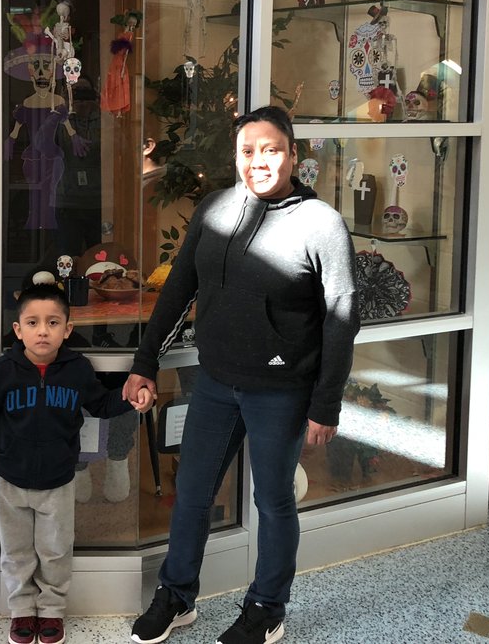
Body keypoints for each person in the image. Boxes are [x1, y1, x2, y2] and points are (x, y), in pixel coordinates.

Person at [124, 105, 360, 644]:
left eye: (271, 149)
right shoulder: (216, 209)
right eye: (248, 151)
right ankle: (176, 596)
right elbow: (178, 290)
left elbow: (342, 317)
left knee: (273, 501)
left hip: (282, 391)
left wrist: (326, 403)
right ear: (236, 157)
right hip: (215, 384)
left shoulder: (320, 224)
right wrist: (144, 363)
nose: (259, 161)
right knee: (192, 492)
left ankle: (266, 608)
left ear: (293, 154)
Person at [0, 283, 152, 644]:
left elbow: (100, 405)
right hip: (10, 479)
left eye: (53, 322)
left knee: (55, 550)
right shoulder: (0, 372)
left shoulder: (77, 370)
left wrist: (131, 399)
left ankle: (52, 610)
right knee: (17, 552)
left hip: (57, 480)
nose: (43, 331)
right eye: (33, 322)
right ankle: (22, 609)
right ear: (18, 329)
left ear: (67, 330)